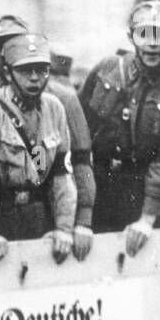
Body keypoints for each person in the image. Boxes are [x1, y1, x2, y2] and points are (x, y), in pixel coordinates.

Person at [80, 0, 160, 256]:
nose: (152, 43)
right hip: (97, 185)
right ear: (130, 36)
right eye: (144, 33)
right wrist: (81, 213)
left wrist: (147, 218)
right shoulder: (107, 69)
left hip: (144, 193)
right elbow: (79, 131)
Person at [0, 34, 76, 263]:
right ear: (7, 73)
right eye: (25, 71)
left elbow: (61, 172)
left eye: (42, 69)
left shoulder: (54, 107)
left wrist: (64, 227)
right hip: (1, 216)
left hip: (38, 214)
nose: (35, 78)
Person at [47, 48, 97, 260]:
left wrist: (83, 219)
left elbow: (81, 158)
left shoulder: (64, 99)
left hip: (65, 205)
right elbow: (40, 164)